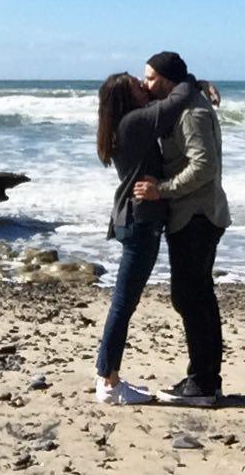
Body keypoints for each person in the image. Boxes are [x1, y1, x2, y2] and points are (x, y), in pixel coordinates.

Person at [94, 69, 202, 404]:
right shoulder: (135, 122)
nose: (145, 87)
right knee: (124, 303)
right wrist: (193, 81)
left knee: (124, 301)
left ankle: (108, 378)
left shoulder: (125, 124)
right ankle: (108, 383)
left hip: (135, 221)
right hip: (141, 221)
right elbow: (178, 100)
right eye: (138, 86)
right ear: (128, 98)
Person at [134, 51, 231, 407]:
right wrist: (199, 82)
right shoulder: (187, 100)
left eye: (150, 78)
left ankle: (203, 384)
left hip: (197, 215)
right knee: (197, 297)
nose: (145, 84)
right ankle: (205, 379)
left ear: (168, 80)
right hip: (197, 214)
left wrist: (163, 189)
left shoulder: (191, 112)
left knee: (191, 298)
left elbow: (204, 165)